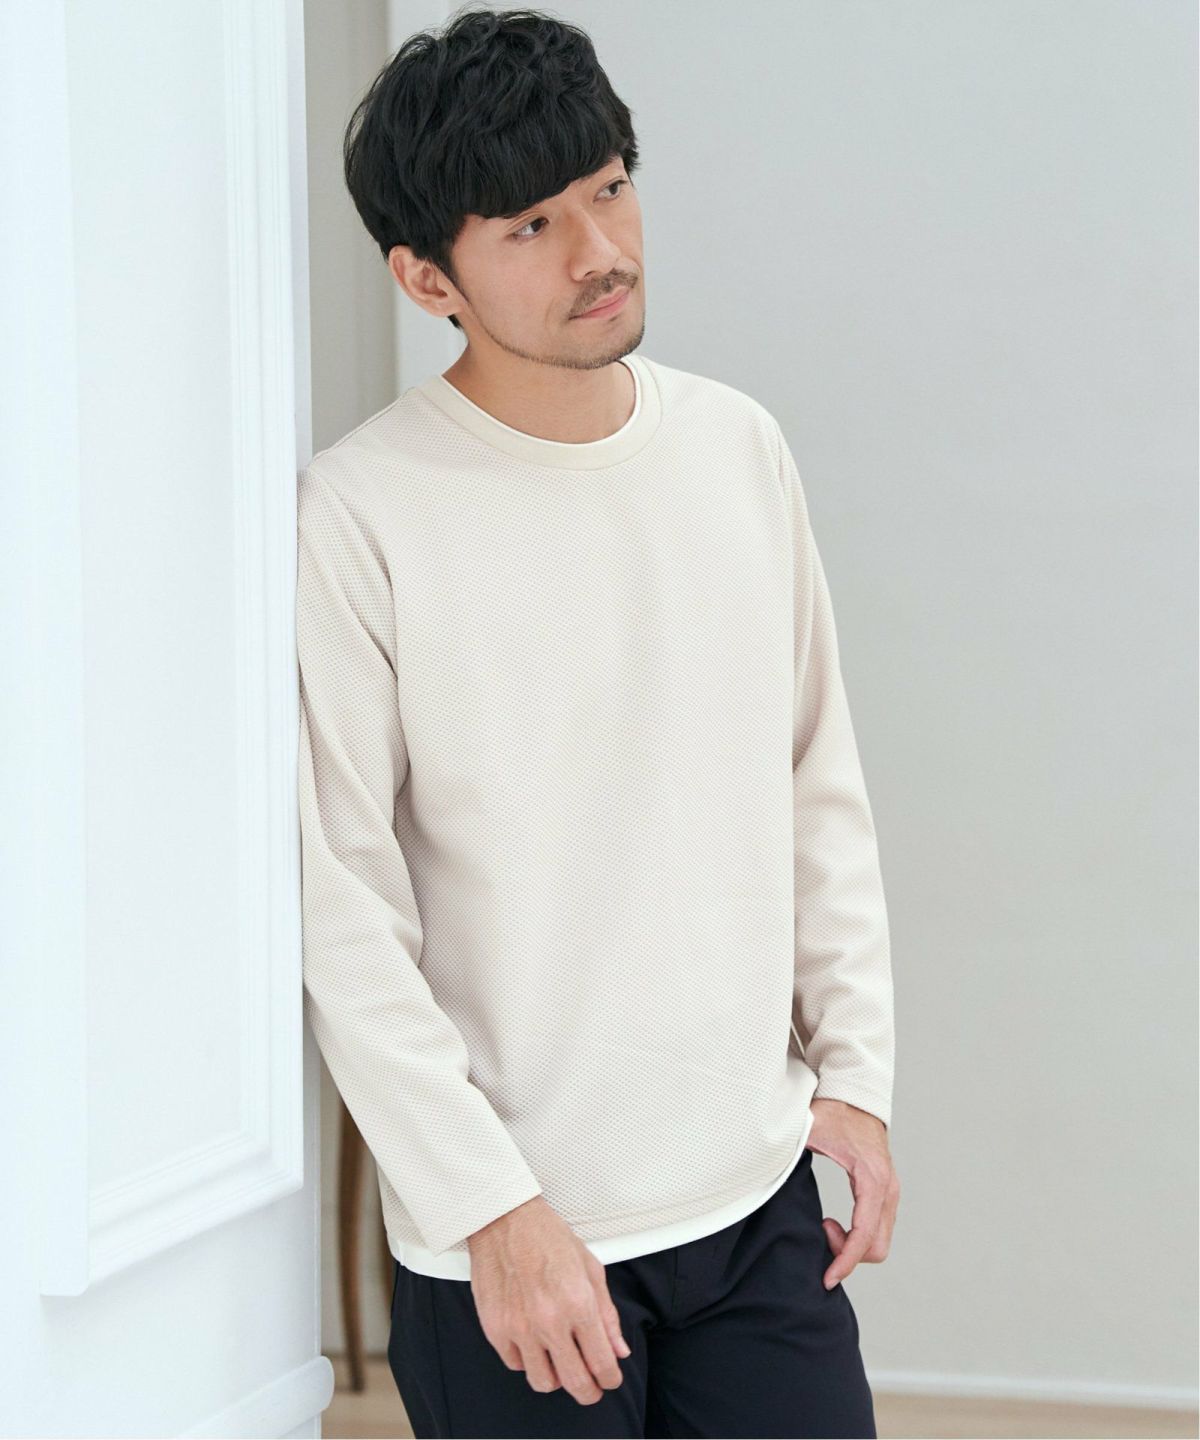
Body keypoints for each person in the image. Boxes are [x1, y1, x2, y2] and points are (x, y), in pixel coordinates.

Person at [297, 6, 900, 1436]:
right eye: (532, 225)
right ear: (425, 275)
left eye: (611, 190)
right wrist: (489, 1208)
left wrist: (859, 1076)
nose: (600, 251)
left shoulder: (737, 448)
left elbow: (816, 781)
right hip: (518, 1239)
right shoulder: (359, 514)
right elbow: (340, 902)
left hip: (755, 1201)